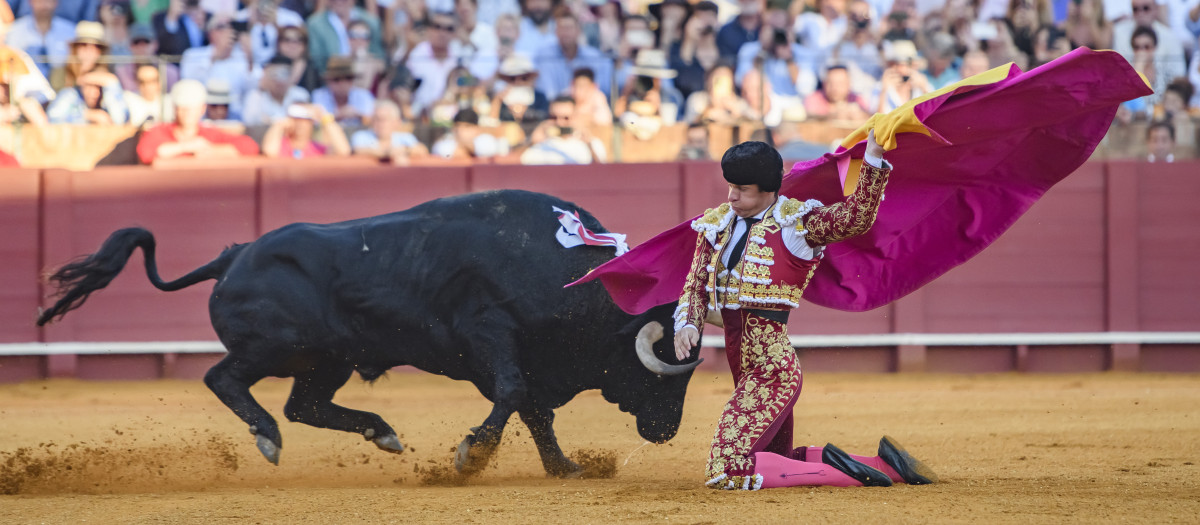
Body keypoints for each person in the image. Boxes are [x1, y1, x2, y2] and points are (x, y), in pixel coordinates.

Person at [672, 135, 938, 491]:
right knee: (779, 458)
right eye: (730, 187)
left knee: (729, 469)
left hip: (773, 369)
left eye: (742, 189)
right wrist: (687, 322)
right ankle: (882, 464)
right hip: (744, 363)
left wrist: (873, 157)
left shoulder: (796, 225)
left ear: (767, 190)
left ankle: (851, 476)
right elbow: (694, 283)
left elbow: (855, 218)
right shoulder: (717, 224)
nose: (732, 196)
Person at [136, 79, 259, 164]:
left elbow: (249, 147)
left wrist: (212, 151)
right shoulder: (159, 131)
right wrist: (186, 147)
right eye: (183, 108)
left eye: (192, 108)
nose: (187, 113)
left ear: (202, 109)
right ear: (175, 109)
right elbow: (145, 153)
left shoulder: (210, 134)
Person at [179, 14, 257, 119]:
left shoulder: (242, 58)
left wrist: (250, 58)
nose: (229, 31)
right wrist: (216, 56)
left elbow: (253, 88)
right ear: (211, 32)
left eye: (232, 27)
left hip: (234, 117)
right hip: (202, 116)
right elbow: (188, 83)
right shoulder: (193, 54)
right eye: (223, 27)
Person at [534, 10, 611, 99]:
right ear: (556, 32)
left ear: (578, 31)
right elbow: (546, 92)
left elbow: (603, 90)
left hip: (588, 108)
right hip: (556, 108)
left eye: (569, 28)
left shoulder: (595, 57)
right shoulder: (545, 56)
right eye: (562, 28)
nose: (565, 33)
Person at [305, 0, 384, 78]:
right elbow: (318, 61)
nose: (339, 1)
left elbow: (379, 55)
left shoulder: (371, 21)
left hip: (366, 76)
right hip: (331, 80)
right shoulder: (315, 24)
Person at [520, 94, 606, 164]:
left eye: (566, 118)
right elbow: (514, 165)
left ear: (575, 116)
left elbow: (601, 174)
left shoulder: (593, 144)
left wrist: (589, 145)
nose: (559, 123)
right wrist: (531, 142)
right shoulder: (541, 145)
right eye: (554, 117)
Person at [6, 0, 76, 76]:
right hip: (23, 82)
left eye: (48, 1)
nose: (44, 5)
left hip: (61, 84)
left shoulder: (70, 31)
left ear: (56, 2)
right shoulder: (15, 30)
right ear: (31, 2)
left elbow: (74, 67)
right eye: (39, 1)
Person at [261, 103, 352, 158]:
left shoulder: (317, 148)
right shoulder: (281, 145)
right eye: (296, 119)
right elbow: (269, 151)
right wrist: (279, 125)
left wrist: (325, 118)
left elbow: (343, 151)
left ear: (311, 123)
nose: (300, 124)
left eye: (305, 120)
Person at [350, 99, 427, 163]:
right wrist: (386, 153)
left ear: (396, 122)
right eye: (377, 119)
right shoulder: (361, 136)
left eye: (385, 119)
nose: (380, 123)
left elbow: (422, 149)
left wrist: (404, 150)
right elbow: (358, 150)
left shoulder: (405, 137)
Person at [242, 54, 310, 126]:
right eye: (275, 74)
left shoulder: (301, 95)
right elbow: (249, 122)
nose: (280, 81)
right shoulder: (255, 96)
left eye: (285, 74)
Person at [46, 69, 128, 123]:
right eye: (90, 86)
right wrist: (87, 115)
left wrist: (111, 83)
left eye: (99, 87)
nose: (95, 93)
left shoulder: (105, 101)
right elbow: (53, 119)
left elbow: (121, 120)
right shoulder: (70, 95)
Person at [311, 56, 374, 127]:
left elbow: (374, 122)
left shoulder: (364, 95)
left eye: (348, 78)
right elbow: (316, 123)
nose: (342, 84)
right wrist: (338, 116)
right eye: (336, 79)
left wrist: (358, 115)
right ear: (328, 81)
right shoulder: (319, 95)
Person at [430, 107, 508, 159]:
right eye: (458, 126)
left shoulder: (486, 140)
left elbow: (493, 150)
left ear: (476, 129)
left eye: (467, 126)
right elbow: (444, 153)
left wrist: (466, 146)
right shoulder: (446, 142)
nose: (461, 130)